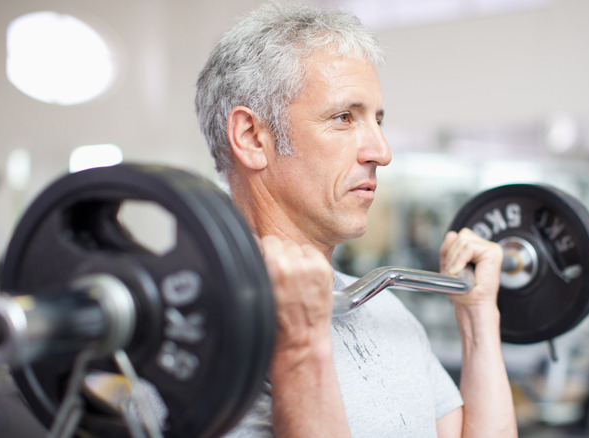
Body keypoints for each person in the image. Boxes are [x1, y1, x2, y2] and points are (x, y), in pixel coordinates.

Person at [195, 3, 517, 437]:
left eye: (378, 120)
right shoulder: (194, 332)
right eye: (344, 117)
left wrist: (479, 321)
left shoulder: (383, 305)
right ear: (253, 138)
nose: (382, 152)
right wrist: (298, 346)